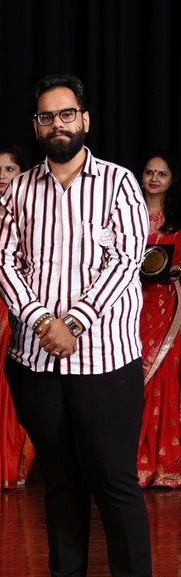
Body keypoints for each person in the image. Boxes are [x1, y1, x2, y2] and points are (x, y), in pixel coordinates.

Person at [0, 74, 154, 577]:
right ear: (36, 126)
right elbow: (1, 260)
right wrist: (41, 321)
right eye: (46, 117)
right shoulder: (18, 190)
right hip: (37, 362)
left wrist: (75, 322)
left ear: (84, 120)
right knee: (59, 480)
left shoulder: (119, 183)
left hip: (105, 361)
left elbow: (127, 259)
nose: (56, 124)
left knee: (114, 479)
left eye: (66, 115)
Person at [0, 146, 36, 490]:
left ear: (24, 173)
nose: (2, 176)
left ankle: (12, 463)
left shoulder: (35, 210)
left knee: (12, 386)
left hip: (24, 306)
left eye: (10, 169)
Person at [136, 150, 181, 487]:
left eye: (161, 174)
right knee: (131, 381)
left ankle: (163, 464)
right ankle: (131, 462)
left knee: (163, 382)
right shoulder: (128, 216)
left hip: (167, 308)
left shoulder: (177, 223)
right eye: (150, 172)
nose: (154, 179)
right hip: (131, 307)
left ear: (171, 180)